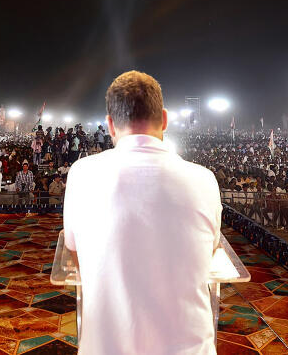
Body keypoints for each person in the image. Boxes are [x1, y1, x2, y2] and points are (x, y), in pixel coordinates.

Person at [63, 70, 221, 354]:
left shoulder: (82, 174)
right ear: (164, 119)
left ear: (110, 125)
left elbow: (76, 256)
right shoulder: (204, 179)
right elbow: (209, 251)